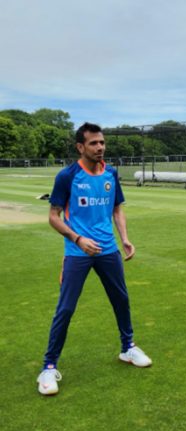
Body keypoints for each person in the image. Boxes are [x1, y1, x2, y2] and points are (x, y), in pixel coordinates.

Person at [37, 122, 152, 396]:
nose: (99, 147)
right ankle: (48, 367)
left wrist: (124, 237)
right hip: (77, 252)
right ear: (80, 147)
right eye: (93, 143)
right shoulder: (67, 176)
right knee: (66, 308)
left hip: (109, 250)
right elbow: (53, 217)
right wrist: (77, 238)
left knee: (121, 299)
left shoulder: (111, 173)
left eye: (102, 142)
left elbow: (117, 209)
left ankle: (128, 348)